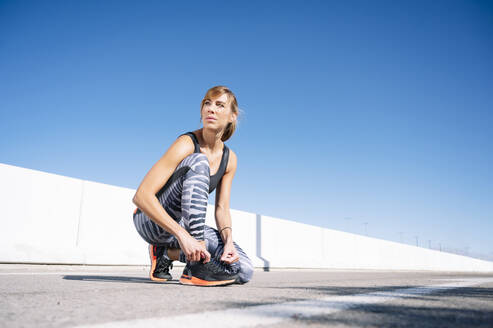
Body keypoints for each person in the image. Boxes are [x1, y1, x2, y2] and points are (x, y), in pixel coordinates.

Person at [132, 86, 253, 286]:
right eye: (207, 103)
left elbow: (222, 208)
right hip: (152, 222)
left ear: (233, 116)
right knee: (199, 161)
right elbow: (142, 196)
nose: (211, 109)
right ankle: (196, 267)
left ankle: (166, 254)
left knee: (241, 270)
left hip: (186, 228)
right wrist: (183, 236)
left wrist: (228, 240)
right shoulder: (187, 143)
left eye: (219, 105)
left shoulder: (230, 159)